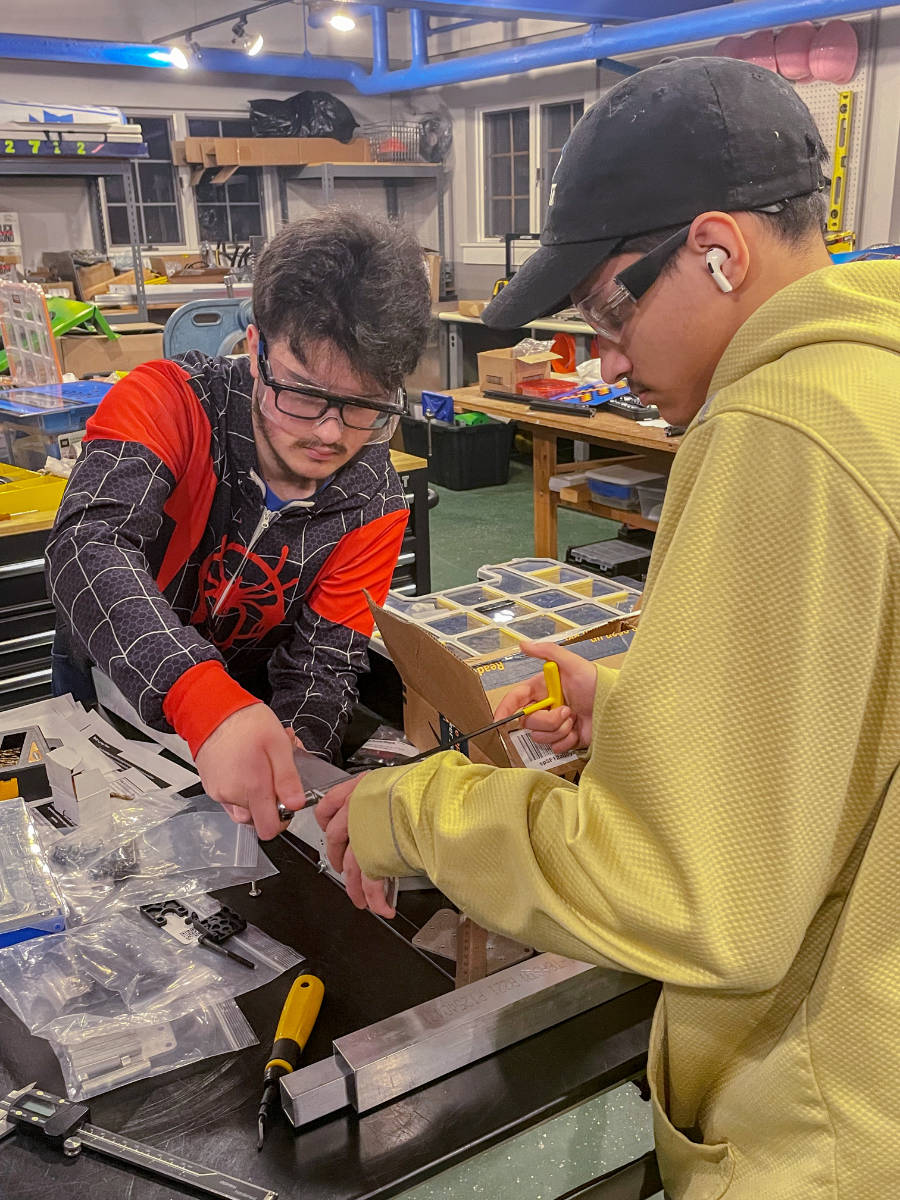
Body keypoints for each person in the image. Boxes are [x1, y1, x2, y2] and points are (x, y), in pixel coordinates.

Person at [315, 58, 900, 1199]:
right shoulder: (872, 389)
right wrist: (647, 714)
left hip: (829, 1131)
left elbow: (695, 894)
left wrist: (416, 811)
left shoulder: (782, 430)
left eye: (612, 313)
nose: (609, 362)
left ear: (721, 249)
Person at [46, 209, 431, 841]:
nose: (329, 434)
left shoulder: (374, 497)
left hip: (245, 708)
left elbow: (323, 660)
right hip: (110, 680)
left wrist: (295, 761)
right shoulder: (168, 400)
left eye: (364, 406)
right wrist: (202, 701)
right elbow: (88, 547)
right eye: (303, 394)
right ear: (256, 350)